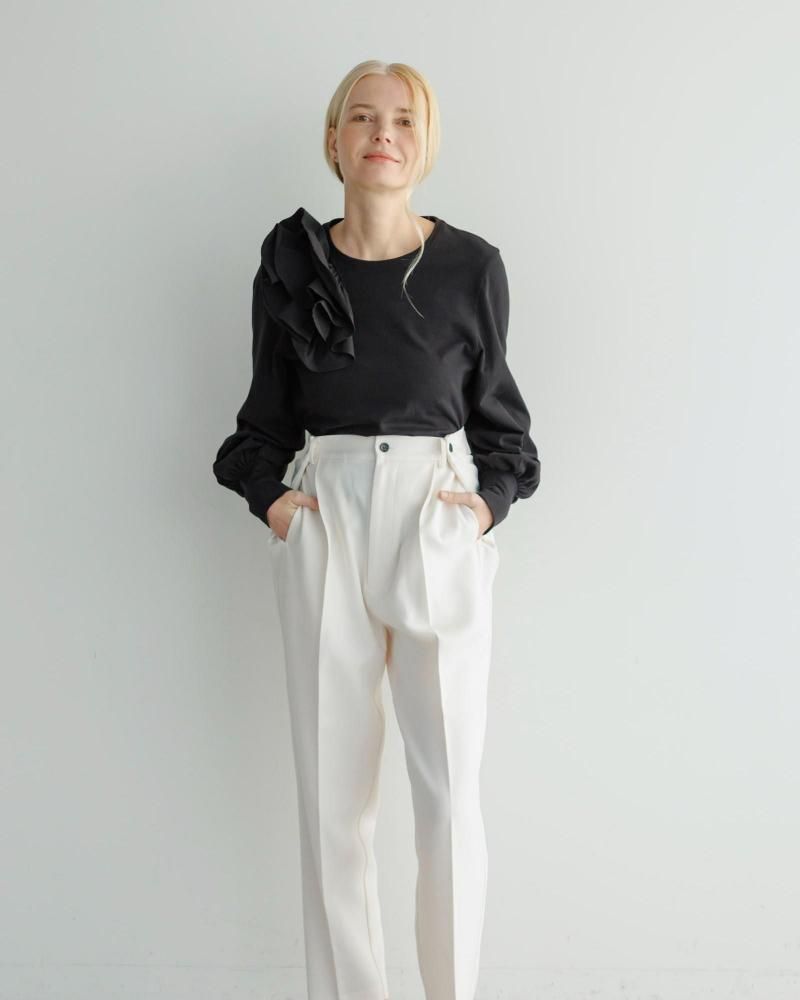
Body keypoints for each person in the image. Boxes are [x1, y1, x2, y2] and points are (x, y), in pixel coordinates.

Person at [212, 59, 540, 1000]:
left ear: (424, 142)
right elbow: (262, 421)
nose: (382, 134)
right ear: (334, 139)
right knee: (333, 804)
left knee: (449, 797)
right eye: (362, 117)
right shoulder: (290, 264)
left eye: (401, 119)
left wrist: (487, 504)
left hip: (434, 517)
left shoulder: (471, 266)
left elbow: (503, 423)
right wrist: (275, 501)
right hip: (326, 516)